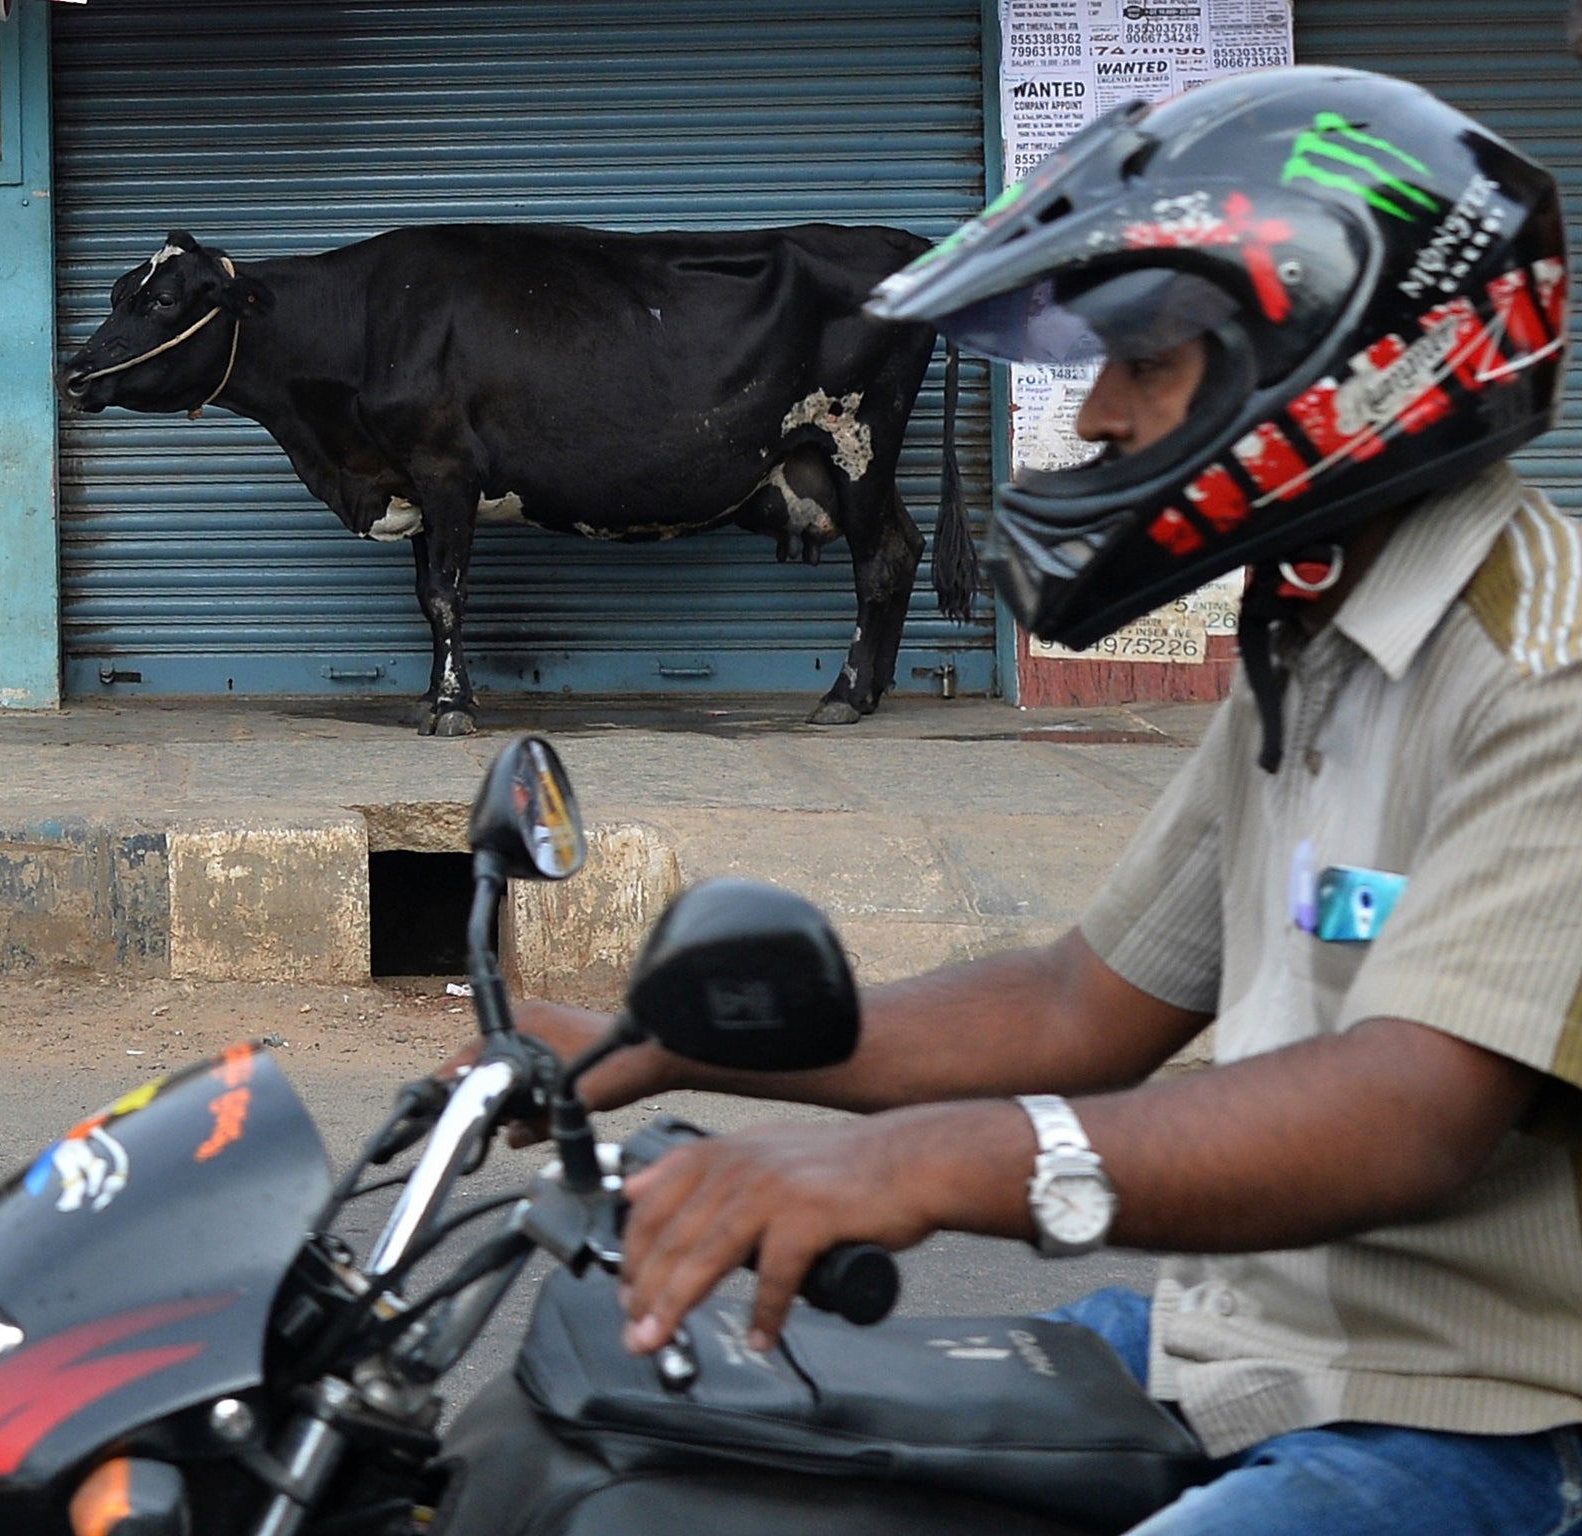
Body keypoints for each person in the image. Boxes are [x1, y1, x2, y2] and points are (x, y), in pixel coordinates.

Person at [503, 67, 1582, 1535]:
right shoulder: (1317, 633)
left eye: (1145, 358)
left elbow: (1410, 1113)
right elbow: (1085, 1003)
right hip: (1240, 1353)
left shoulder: (1544, 671)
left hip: (1474, 1422)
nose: (1094, 412)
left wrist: (926, 1164)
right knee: (715, 1448)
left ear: (1346, 362)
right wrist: (654, 1044)